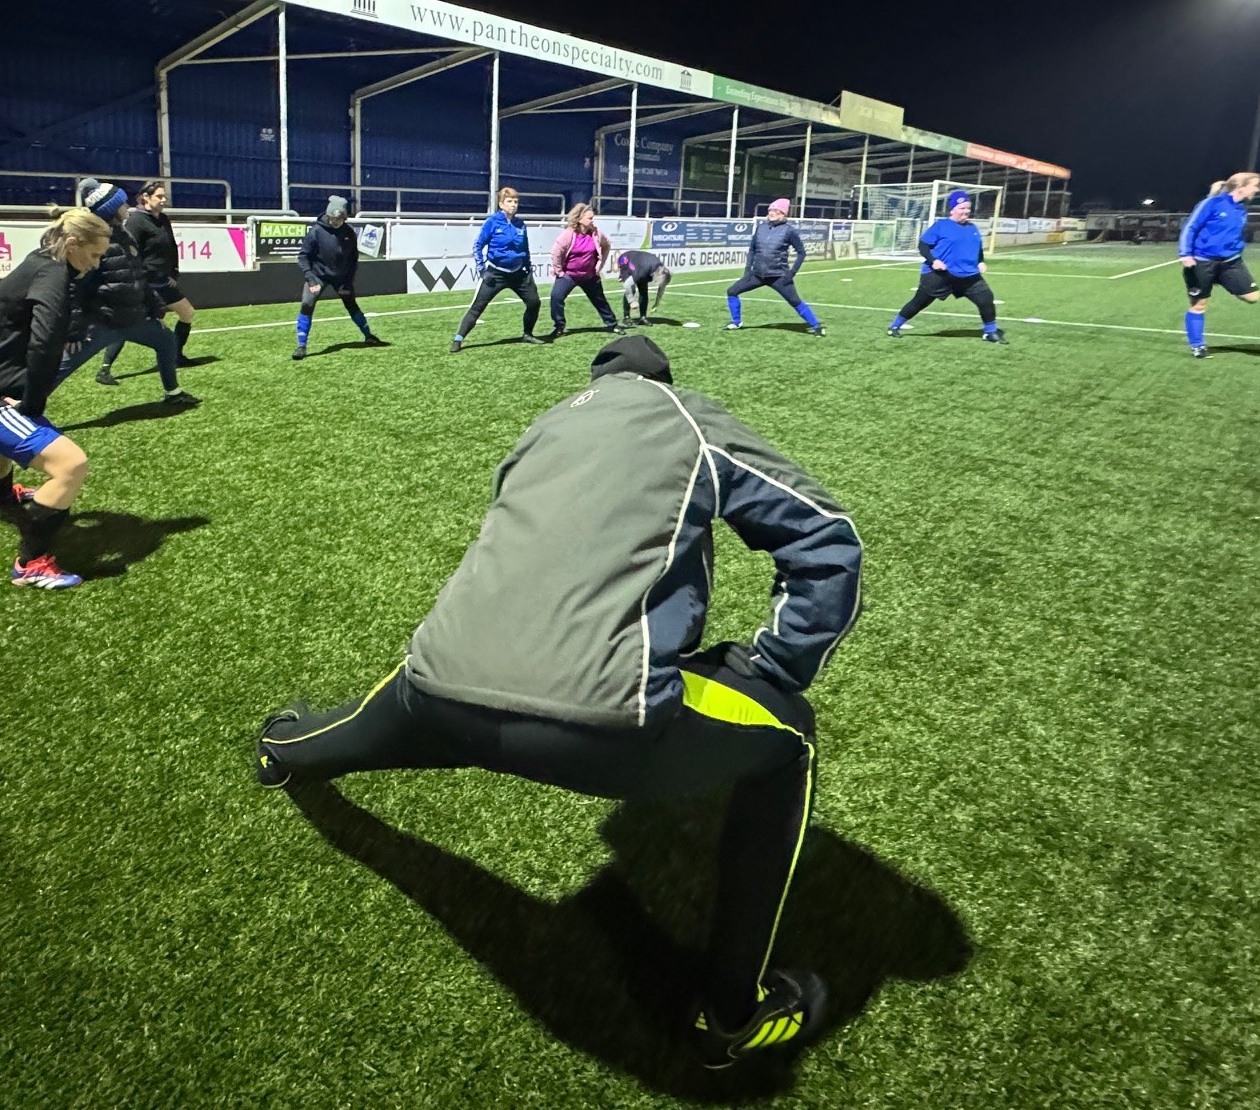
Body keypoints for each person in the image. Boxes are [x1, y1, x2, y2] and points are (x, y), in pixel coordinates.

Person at [254, 336, 860, 1069]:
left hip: (439, 681)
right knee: (791, 738)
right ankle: (732, 1014)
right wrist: (776, 664)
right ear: (661, 382)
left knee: (362, 722)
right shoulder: (686, 417)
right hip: (600, 720)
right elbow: (827, 539)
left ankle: (279, 748)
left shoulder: (543, 426)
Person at [0, 205, 111, 589]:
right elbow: (44, 344)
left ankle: (3, 500)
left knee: (1, 451)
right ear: (72, 243)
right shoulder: (51, 275)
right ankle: (30, 564)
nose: (95, 264)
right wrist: (32, 404)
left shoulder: (41, 261)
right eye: (93, 255)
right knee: (72, 465)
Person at [58, 180, 198, 405]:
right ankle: (20, 403)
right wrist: (73, 331)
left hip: (133, 318)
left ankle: (172, 393)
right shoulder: (94, 240)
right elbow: (74, 286)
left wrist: (154, 310)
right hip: (104, 321)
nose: (127, 207)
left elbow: (138, 275)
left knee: (166, 341)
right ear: (112, 209)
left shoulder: (124, 234)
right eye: (122, 203)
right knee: (61, 367)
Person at [92, 179, 196, 386]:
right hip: (147, 283)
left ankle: (176, 356)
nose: (164, 200)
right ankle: (104, 369)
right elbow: (132, 254)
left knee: (188, 313)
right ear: (146, 197)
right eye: (159, 196)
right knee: (128, 324)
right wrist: (143, 279)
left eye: (165, 196)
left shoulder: (163, 219)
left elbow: (171, 246)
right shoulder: (136, 222)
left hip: (164, 281)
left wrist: (173, 271)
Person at [886, 190, 1004, 342]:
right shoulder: (941, 226)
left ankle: (990, 332)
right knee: (920, 302)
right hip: (939, 275)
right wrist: (933, 261)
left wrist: (980, 261)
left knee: (986, 298)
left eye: (968, 208)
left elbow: (978, 249)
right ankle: (894, 326)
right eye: (962, 208)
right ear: (952, 209)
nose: (966, 211)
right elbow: (923, 246)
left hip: (968, 275)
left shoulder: (972, 228)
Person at [1177, 172, 1260, 359]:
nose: (1257, 189)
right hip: (1202, 262)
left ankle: (1219, 280)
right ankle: (1198, 346)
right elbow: (1190, 227)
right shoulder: (1211, 203)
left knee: (1253, 297)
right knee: (1199, 305)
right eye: (1254, 185)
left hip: (1231, 262)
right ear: (1240, 186)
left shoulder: (1241, 208)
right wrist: (1185, 254)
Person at [452, 186, 545, 352]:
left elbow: (525, 248)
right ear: (501, 204)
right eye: (509, 201)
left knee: (534, 302)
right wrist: (482, 270)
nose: (513, 205)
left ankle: (527, 334)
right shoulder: (492, 222)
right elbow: (478, 246)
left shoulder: (520, 224)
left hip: (519, 273)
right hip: (496, 273)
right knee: (478, 306)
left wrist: (528, 269)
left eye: (516, 201)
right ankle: (458, 339)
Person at [294, 195, 386, 361]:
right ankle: (301, 346)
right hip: (318, 276)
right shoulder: (316, 232)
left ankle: (369, 336)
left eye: (339, 219)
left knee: (352, 305)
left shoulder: (349, 233)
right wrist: (311, 279)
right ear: (327, 215)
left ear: (344, 218)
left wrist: (348, 281)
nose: (335, 222)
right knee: (307, 304)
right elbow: (303, 257)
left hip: (341, 279)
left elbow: (353, 259)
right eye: (333, 219)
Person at [724, 198, 823, 335]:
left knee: (795, 301)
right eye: (770, 210)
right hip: (757, 275)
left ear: (783, 214)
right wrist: (747, 270)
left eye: (776, 210)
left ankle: (816, 326)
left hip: (778, 276)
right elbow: (752, 249)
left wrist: (792, 272)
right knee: (732, 291)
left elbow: (801, 252)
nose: (772, 213)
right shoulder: (761, 228)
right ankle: (736, 322)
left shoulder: (789, 231)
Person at [546, 202, 618, 337]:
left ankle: (612, 324)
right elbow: (556, 252)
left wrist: (600, 265)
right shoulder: (568, 234)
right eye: (589, 218)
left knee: (600, 300)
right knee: (556, 298)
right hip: (569, 275)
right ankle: (559, 326)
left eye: (593, 218)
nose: (592, 221)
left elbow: (607, 245)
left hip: (589, 275)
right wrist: (559, 272)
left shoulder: (596, 233)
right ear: (579, 219)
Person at [614, 246, 673, 326]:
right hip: (625, 260)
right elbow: (627, 285)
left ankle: (643, 317)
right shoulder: (642, 272)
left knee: (644, 291)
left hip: (640, 263)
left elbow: (662, 286)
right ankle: (626, 317)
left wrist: (657, 303)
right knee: (631, 289)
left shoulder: (662, 270)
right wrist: (632, 301)